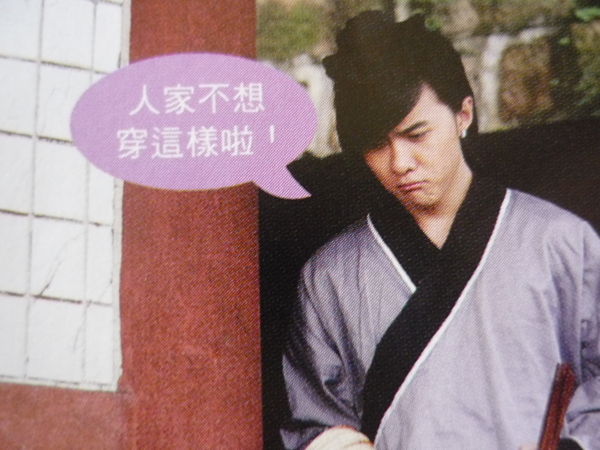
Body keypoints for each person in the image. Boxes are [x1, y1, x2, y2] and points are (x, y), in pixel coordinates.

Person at [281, 11, 600, 450]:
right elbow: (314, 424)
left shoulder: (560, 243)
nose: (400, 163)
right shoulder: (330, 277)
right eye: (376, 145)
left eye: (416, 134)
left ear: (463, 114)